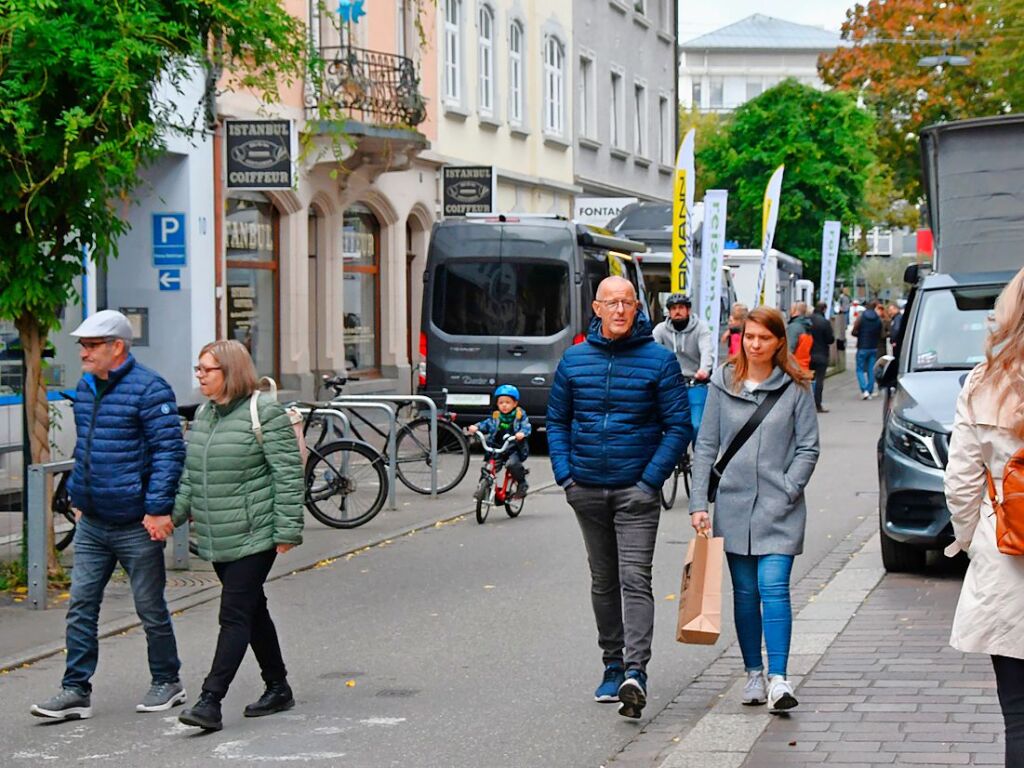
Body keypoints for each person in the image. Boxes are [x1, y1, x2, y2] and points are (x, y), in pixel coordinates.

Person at [31, 310, 186, 721]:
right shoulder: (86, 386)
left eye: (92, 345)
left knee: (149, 606)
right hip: (94, 521)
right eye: (82, 345)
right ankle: (74, 690)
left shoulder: (150, 389)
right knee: (81, 605)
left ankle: (167, 681)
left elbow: (170, 453)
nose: (83, 352)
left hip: (136, 522)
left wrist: (157, 509)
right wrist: (80, 495)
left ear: (117, 347)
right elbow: (87, 448)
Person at [547, 276, 690, 720]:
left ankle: (635, 672)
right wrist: (566, 477)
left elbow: (678, 427)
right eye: (611, 302)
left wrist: (649, 482)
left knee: (635, 579)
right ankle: (611, 664)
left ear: (638, 308)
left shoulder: (659, 362)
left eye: (627, 302)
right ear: (597, 307)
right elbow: (556, 422)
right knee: (603, 580)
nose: (620, 310)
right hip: (586, 488)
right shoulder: (573, 361)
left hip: (635, 492)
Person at [689, 306, 819, 714]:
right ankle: (753, 673)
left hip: (780, 508)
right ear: (741, 338)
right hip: (733, 505)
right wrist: (698, 503)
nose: (755, 344)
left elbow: (808, 447)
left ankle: (780, 679)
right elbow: (706, 446)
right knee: (745, 594)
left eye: (764, 337)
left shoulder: (796, 387)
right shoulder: (723, 384)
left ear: (780, 341)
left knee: (773, 587)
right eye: (749, 336)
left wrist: (790, 486)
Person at [173, 340, 304, 731]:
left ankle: (210, 701)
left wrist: (287, 530)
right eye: (198, 369)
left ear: (230, 371)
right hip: (220, 534)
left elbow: (287, 473)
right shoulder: (205, 413)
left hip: (256, 531)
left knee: (233, 613)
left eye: (206, 370)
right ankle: (278, 686)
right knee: (252, 609)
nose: (199, 376)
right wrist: (170, 518)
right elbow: (192, 476)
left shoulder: (263, 410)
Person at [944, 267, 1024, 768]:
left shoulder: (984, 382)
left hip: (1009, 555)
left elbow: (961, 483)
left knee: (1018, 715)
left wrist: (973, 539)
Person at [653, 293, 712, 445]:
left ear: (688, 310)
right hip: (671, 385)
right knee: (664, 425)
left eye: (681, 308)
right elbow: (652, 351)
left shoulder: (700, 328)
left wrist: (704, 370)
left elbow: (707, 350)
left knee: (697, 425)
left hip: (695, 382)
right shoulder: (661, 329)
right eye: (673, 308)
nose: (677, 311)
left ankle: (697, 458)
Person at [468, 384, 532, 499]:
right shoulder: (496, 416)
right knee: (488, 467)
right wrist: (476, 427)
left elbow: (526, 426)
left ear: (515, 404)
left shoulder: (519, 415)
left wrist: (522, 433)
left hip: (514, 448)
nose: (504, 406)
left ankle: (522, 484)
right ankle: (482, 488)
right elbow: (486, 424)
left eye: (508, 402)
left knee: (512, 464)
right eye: (501, 403)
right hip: (497, 447)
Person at [808, 301, 836, 413]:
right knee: (819, 380)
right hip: (821, 354)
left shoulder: (808, 320)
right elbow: (830, 339)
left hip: (808, 353)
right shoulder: (824, 322)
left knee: (807, 380)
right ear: (824, 309)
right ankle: (817, 404)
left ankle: (806, 403)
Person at [852, 299, 883, 399]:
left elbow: (854, 331)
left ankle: (864, 389)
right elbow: (880, 333)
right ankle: (869, 390)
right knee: (871, 369)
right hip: (873, 347)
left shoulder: (861, 318)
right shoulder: (878, 319)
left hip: (862, 346)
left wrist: (859, 335)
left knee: (860, 369)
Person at [785, 302, 813, 371]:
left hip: (794, 369)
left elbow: (789, 350)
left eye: (791, 308)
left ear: (794, 310)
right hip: (804, 367)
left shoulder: (794, 327)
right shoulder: (807, 326)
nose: (789, 311)